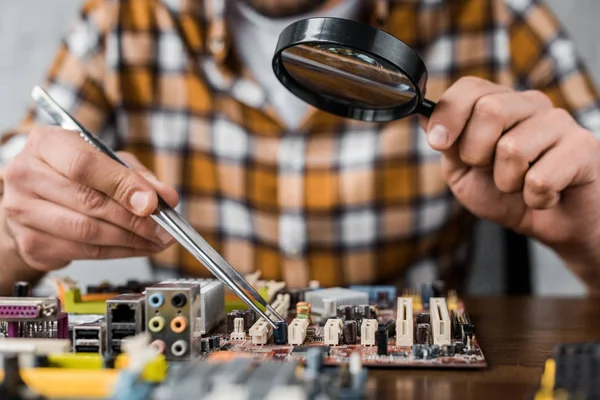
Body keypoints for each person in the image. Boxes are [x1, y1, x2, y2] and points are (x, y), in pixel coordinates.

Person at [0, 0, 599, 296]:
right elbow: (19, 194)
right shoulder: (122, 20)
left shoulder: (498, 17)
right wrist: (17, 231)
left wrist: (590, 230)